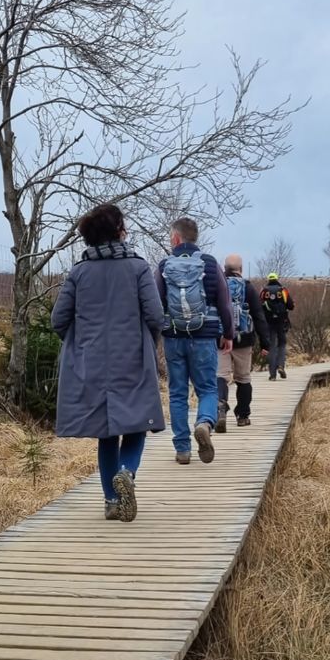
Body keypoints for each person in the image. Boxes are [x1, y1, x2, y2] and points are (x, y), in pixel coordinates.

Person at [51, 203, 166, 522]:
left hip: (92, 364)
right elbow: (156, 315)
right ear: (118, 230)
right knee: (137, 424)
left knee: (106, 433)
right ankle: (127, 472)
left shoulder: (78, 272)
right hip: (132, 358)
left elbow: (58, 320)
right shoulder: (138, 267)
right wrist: (148, 340)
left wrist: (80, 345)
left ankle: (112, 502)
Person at [155, 217, 233, 465]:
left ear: (176, 238)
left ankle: (182, 449)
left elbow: (156, 305)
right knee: (208, 388)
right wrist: (228, 333)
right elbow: (224, 301)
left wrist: (155, 335)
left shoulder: (164, 265)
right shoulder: (209, 264)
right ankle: (204, 423)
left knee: (177, 393)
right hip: (204, 336)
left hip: (174, 338)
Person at [218, 254, 271, 429]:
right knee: (243, 378)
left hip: (220, 339)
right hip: (244, 340)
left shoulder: (218, 285)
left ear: (224, 267)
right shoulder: (248, 288)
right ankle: (242, 415)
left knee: (221, 376)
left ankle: (220, 409)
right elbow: (258, 316)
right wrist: (265, 343)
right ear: (241, 269)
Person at [260, 272, 295, 380]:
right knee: (282, 344)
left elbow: (258, 307)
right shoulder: (282, 290)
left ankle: (272, 375)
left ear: (268, 279)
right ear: (277, 279)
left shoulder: (264, 291)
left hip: (268, 323)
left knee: (271, 347)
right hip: (281, 322)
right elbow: (290, 306)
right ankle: (281, 365)